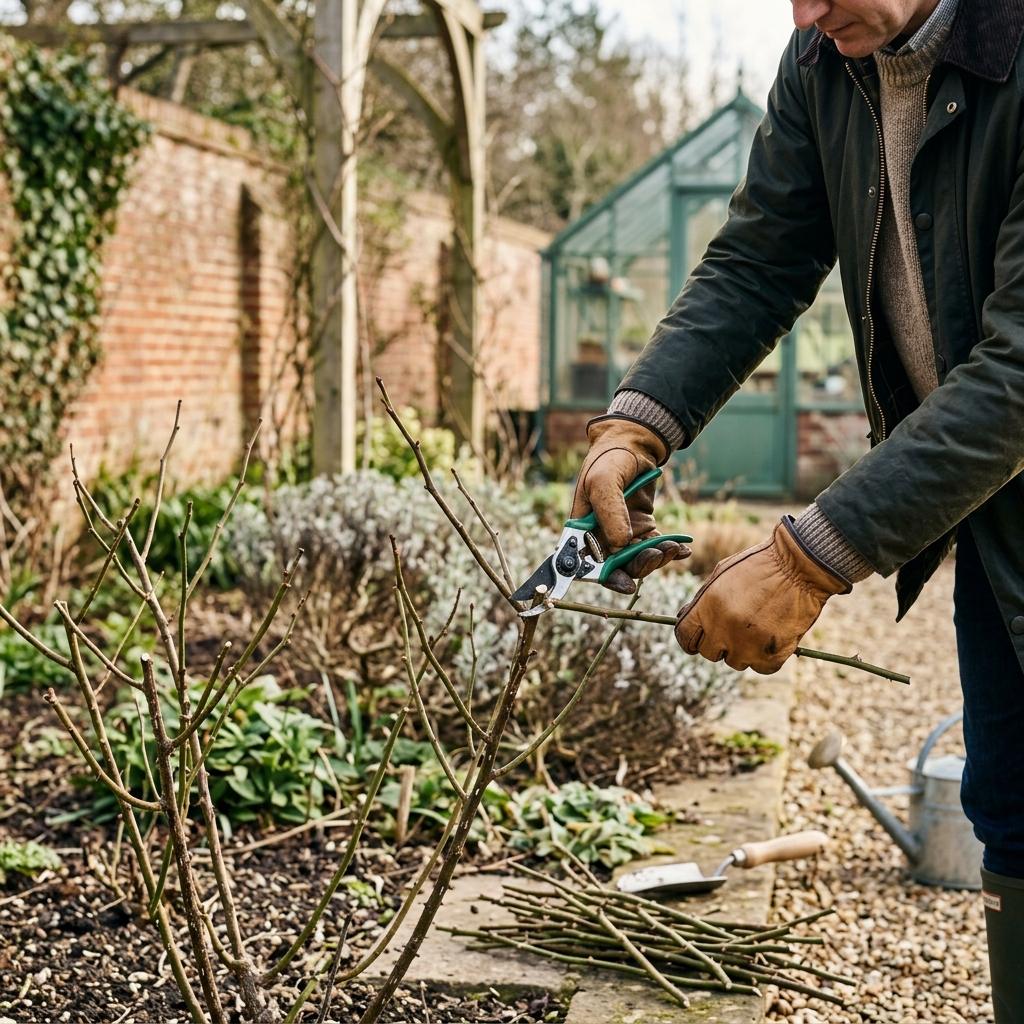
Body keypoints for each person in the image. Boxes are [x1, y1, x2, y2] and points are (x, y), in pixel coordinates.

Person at [569, 0, 1024, 1019]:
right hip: (998, 519)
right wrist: (637, 422)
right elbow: (759, 257)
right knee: (1013, 811)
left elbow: (1019, 370)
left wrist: (814, 554)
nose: (804, 13)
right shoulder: (825, 62)